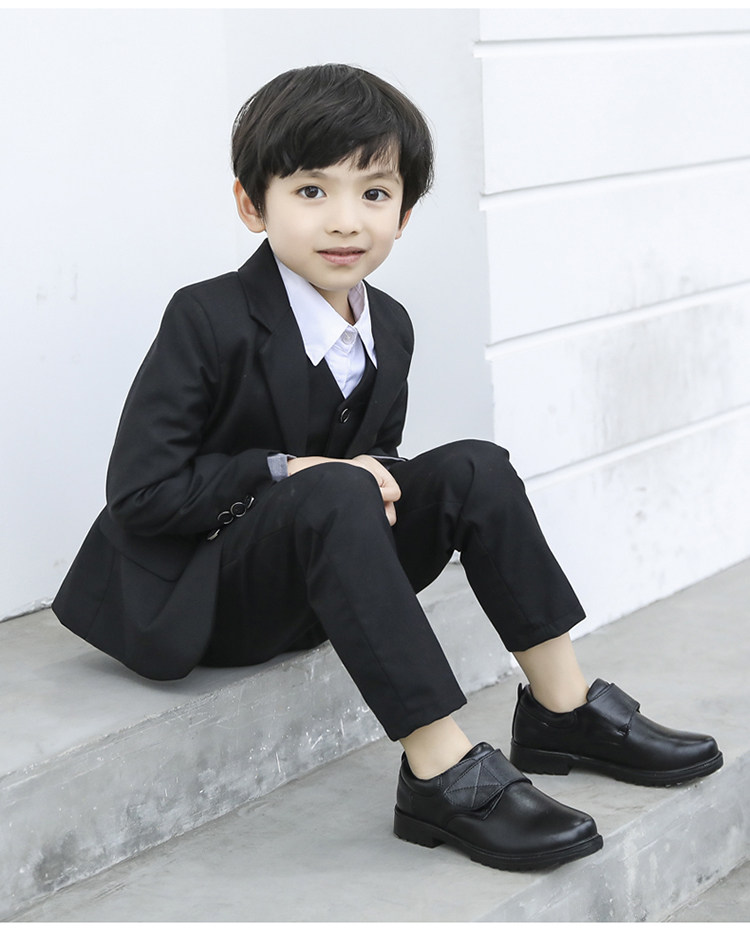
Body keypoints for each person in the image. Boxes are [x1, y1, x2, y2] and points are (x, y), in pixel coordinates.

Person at [53, 63, 723, 873]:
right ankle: (440, 770)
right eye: (311, 191)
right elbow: (140, 493)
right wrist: (284, 468)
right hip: (209, 593)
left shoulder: (391, 325)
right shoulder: (207, 315)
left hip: (320, 568)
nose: (345, 220)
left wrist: (365, 471)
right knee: (334, 483)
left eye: (374, 193)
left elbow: (379, 457)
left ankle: (564, 708)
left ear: (404, 213)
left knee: (477, 467)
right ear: (251, 205)